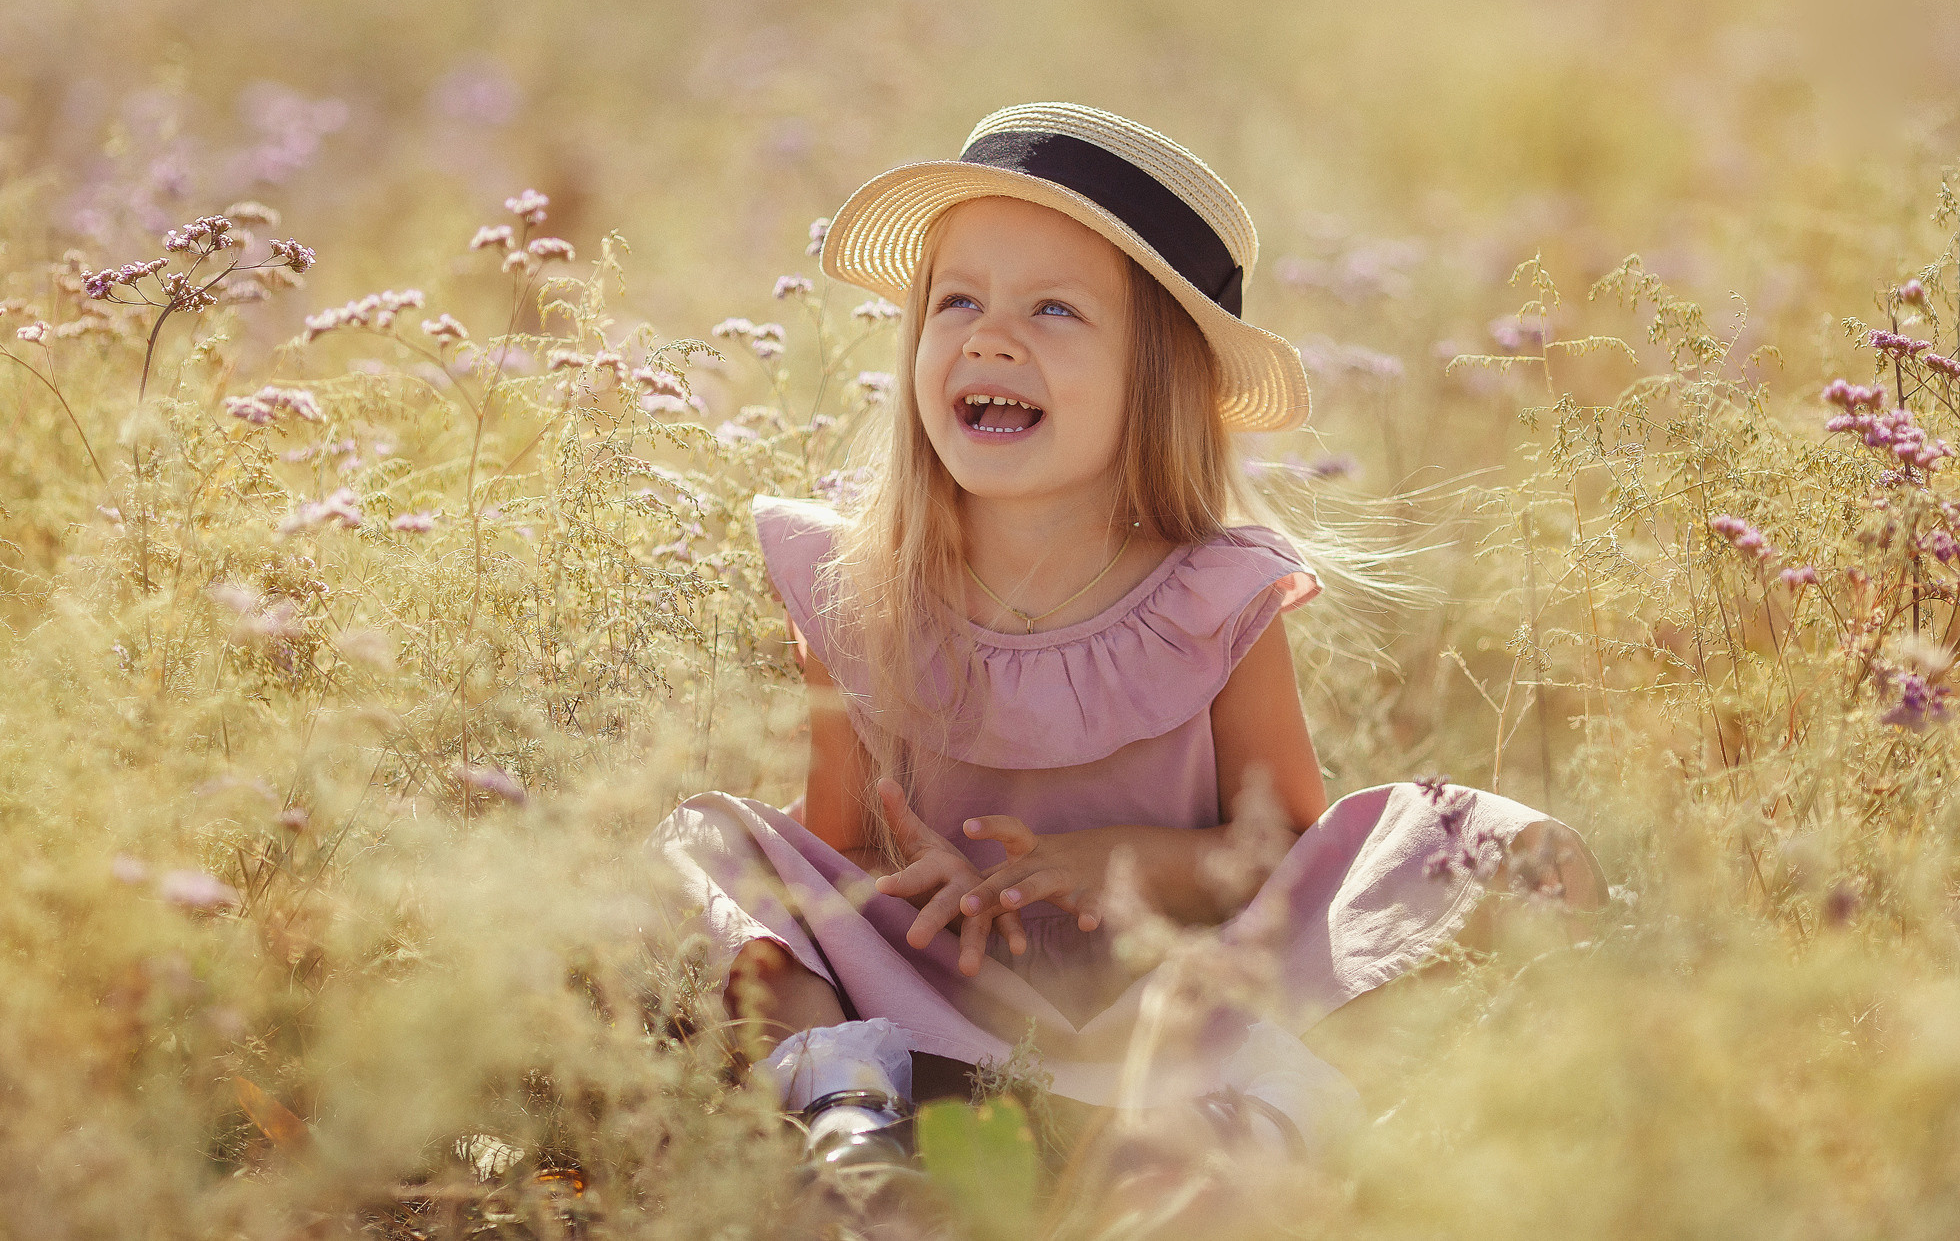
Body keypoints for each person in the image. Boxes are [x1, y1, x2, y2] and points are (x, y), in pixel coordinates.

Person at [650, 103, 1602, 1175]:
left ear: (1158, 381)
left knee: (1488, 852)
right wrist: (906, 873)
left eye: (1053, 308)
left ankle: (1230, 1135)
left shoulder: (1211, 597)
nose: (988, 335)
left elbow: (1274, 859)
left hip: (1174, 1000)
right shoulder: (860, 586)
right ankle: (854, 1126)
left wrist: (1117, 864)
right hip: (933, 997)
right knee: (708, 851)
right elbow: (836, 854)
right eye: (955, 299)